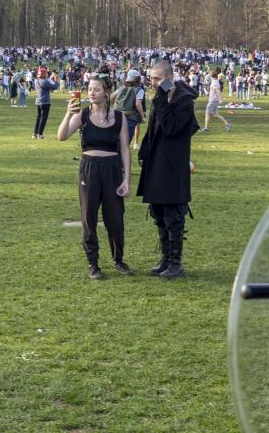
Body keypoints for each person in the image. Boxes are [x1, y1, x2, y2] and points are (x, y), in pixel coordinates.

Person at [56, 73, 133, 279]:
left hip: (113, 169)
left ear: (107, 92)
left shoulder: (119, 118)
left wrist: (127, 179)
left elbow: (125, 149)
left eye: (96, 89)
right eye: (89, 89)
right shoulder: (82, 115)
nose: (91, 92)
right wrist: (67, 114)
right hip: (89, 169)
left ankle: (118, 260)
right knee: (89, 218)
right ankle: (93, 264)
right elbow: (61, 136)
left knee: (115, 219)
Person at [136, 60, 198, 280]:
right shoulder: (159, 100)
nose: (152, 83)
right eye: (151, 78)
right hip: (156, 163)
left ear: (169, 78)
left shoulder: (184, 101)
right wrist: (143, 152)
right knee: (158, 212)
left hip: (173, 166)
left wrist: (163, 98)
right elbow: (153, 128)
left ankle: (176, 263)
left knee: (173, 215)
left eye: (156, 79)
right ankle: (165, 258)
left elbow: (171, 128)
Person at [114, 69, 147, 149]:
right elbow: (138, 103)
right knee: (125, 144)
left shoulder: (122, 88)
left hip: (118, 116)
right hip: (130, 118)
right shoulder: (139, 90)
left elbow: (112, 97)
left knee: (116, 141)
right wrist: (142, 116)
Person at [33, 71, 59, 138]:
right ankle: (40, 134)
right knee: (43, 118)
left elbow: (47, 83)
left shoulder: (36, 81)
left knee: (38, 118)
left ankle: (34, 133)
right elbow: (54, 87)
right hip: (45, 102)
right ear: (43, 74)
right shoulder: (45, 81)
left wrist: (51, 79)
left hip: (38, 102)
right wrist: (56, 80)